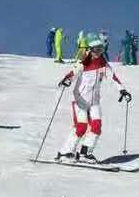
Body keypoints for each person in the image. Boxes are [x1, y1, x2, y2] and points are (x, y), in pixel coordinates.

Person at [55, 33, 131, 161]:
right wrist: (66, 80)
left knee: (96, 127)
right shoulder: (84, 62)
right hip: (80, 100)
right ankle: (65, 152)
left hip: (94, 102)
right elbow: (72, 73)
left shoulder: (103, 63)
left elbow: (113, 77)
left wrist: (122, 90)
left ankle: (85, 153)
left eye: (101, 49)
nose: (99, 52)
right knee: (81, 127)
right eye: (96, 50)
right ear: (90, 49)